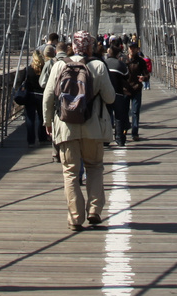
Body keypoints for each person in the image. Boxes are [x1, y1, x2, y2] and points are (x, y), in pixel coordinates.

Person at [42, 29, 116, 231]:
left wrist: (48, 122)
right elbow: (110, 98)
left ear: (72, 46)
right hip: (93, 128)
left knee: (70, 173)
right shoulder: (99, 66)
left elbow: (48, 97)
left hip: (66, 128)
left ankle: (75, 217)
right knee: (94, 167)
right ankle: (94, 210)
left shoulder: (59, 66)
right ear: (90, 47)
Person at [104, 36, 131, 145]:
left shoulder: (104, 63)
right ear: (118, 54)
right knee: (119, 117)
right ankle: (119, 139)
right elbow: (126, 77)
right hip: (118, 94)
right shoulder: (120, 64)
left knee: (106, 117)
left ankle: (105, 139)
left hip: (106, 94)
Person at [20, 49, 49, 146]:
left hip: (30, 95)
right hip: (42, 96)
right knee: (42, 118)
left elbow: (22, 82)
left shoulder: (28, 69)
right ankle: (42, 138)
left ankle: (31, 141)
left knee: (30, 118)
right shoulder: (44, 68)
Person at [125, 41, 147, 140]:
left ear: (137, 49)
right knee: (124, 111)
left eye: (133, 48)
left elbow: (147, 74)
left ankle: (135, 133)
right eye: (130, 47)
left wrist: (144, 78)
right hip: (125, 89)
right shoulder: (123, 60)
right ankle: (124, 131)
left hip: (136, 88)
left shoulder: (141, 61)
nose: (131, 49)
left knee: (135, 111)